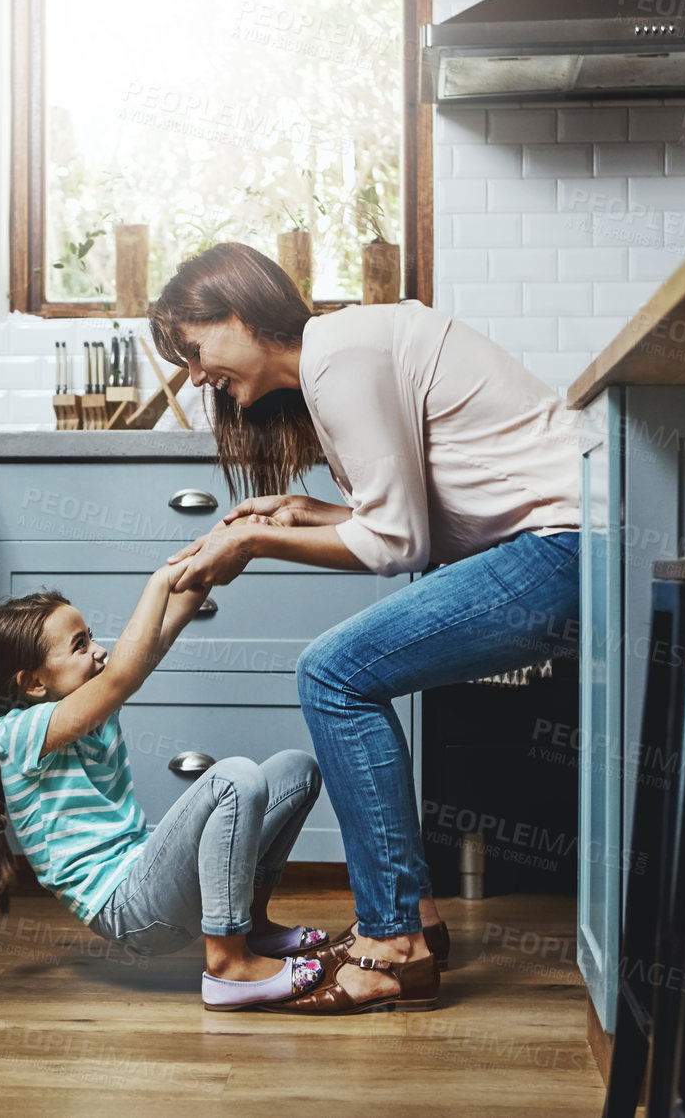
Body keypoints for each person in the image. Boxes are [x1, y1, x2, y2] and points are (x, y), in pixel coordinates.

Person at [154, 242, 582, 1015]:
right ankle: (412, 920)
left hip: (566, 548)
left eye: (193, 348)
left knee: (333, 673)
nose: (194, 375)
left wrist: (252, 539)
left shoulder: (339, 356)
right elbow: (422, 523)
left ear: (239, 312)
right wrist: (302, 513)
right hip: (559, 544)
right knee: (341, 672)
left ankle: (394, 947)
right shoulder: (343, 352)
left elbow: (398, 547)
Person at [0, 561, 338, 1012]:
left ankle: (251, 926)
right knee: (234, 778)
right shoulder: (17, 732)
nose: (100, 651)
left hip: (148, 874)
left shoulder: (86, 710)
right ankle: (228, 966)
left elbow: (154, 641)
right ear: (33, 684)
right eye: (81, 645)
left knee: (296, 771)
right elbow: (126, 672)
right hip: (130, 908)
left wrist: (208, 566)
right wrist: (158, 581)